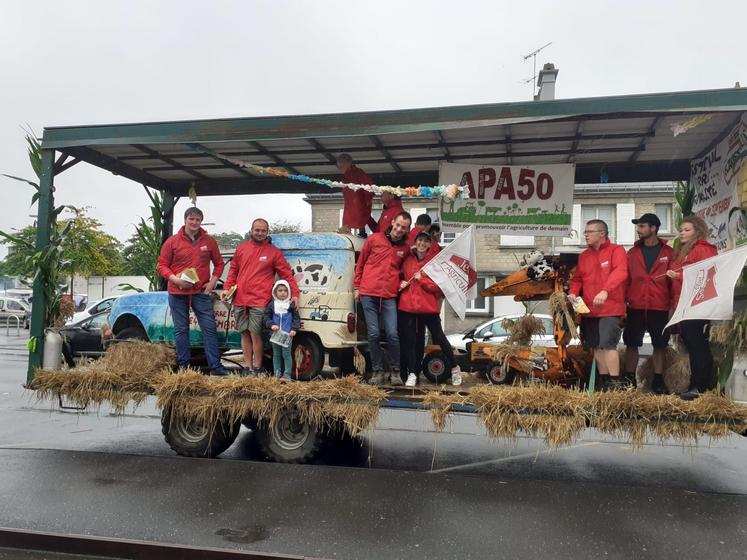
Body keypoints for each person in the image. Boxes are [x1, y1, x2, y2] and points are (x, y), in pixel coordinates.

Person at [222, 218, 299, 375]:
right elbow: (233, 271)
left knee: (255, 334)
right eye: (257, 230)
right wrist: (226, 288)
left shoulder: (274, 252)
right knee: (244, 333)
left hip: (260, 300)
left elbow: (286, 274)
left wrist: (295, 294)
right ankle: (248, 368)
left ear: (267, 232)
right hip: (240, 299)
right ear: (251, 230)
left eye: (263, 230)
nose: (260, 233)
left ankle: (257, 367)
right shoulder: (241, 248)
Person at [157, 207, 226, 375]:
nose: (194, 222)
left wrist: (211, 284)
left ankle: (215, 367)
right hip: (177, 292)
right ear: (185, 220)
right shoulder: (172, 242)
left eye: (198, 219)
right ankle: (184, 368)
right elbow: (162, 265)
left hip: (200, 293)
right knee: (181, 330)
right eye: (191, 219)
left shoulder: (209, 241)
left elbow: (219, 264)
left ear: (201, 221)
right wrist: (175, 280)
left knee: (209, 329)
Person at [568, 219, 628, 390]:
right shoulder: (584, 256)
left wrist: (605, 290)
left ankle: (616, 383)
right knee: (596, 347)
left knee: (608, 345)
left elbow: (621, 272)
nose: (585, 235)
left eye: (589, 231)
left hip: (610, 308)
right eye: (585, 232)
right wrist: (573, 292)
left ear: (602, 233)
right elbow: (578, 279)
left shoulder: (616, 250)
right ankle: (604, 381)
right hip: (588, 309)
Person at [354, 211, 412, 385]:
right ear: (393, 222)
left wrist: (402, 280)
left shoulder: (405, 249)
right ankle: (377, 370)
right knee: (372, 334)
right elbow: (361, 263)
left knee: (393, 334)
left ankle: (395, 371)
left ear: (407, 230)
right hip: (368, 293)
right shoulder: (374, 239)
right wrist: (357, 287)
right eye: (398, 225)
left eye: (404, 227)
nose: (400, 229)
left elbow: (405, 270)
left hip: (388, 295)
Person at [399, 231, 461, 387]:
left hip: (428, 308)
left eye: (426, 241)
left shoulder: (434, 264)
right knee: (413, 342)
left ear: (429, 244)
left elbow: (439, 288)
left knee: (439, 337)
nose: (422, 243)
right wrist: (400, 282)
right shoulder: (408, 260)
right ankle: (413, 373)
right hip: (409, 307)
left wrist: (422, 281)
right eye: (420, 240)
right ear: (416, 241)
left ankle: (454, 367)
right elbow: (399, 276)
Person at [666, 215, 718, 400]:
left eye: (687, 230)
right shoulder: (684, 251)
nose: (682, 232)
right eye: (681, 229)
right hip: (685, 304)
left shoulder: (703, 249)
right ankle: (695, 385)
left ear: (697, 231)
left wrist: (678, 277)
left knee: (698, 346)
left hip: (697, 304)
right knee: (692, 345)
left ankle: (700, 386)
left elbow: (705, 275)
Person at [623, 213, 674, 394]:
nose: (638, 229)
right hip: (635, 306)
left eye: (642, 226)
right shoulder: (632, 253)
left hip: (659, 306)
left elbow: (673, 282)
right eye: (638, 226)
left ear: (653, 228)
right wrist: (623, 303)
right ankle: (629, 379)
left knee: (660, 344)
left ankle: (658, 380)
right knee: (631, 343)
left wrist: (672, 307)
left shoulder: (669, 253)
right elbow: (625, 280)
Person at [263, 280, 300, 382]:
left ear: (288, 292)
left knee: (287, 354)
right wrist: (271, 325)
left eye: (285, 290)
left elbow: (296, 318)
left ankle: (287, 375)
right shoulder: (272, 304)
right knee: (276, 354)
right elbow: (266, 317)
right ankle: (277, 374)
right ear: (275, 292)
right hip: (276, 334)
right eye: (280, 290)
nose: (283, 293)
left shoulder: (291, 305)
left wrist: (294, 329)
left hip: (287, 334)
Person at [336, 153, 375, 237]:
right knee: (350, 217)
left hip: (359, 201)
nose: (339, 169)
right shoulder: (346, 175)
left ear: (347, 163)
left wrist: (368, 198)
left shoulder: (358, 172)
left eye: (341, 166)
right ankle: (348, 232)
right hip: (350, 202)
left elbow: (368, 186)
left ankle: (362, 232)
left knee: (361, 217)